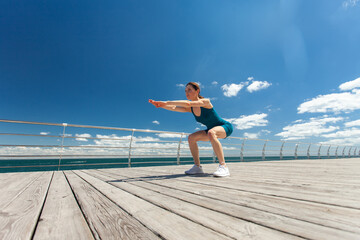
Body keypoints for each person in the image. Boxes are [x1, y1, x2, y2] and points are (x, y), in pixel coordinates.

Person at [149, 82, 233, 177]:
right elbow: (174, 107)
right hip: (210, 129)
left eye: (189, 90)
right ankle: (197, 167)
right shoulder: (191, 108)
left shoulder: (205, 102)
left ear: (197, 91)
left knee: (211, 132)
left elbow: (187, 103)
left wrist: (166, 102)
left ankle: (223, 167)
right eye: (185, 91)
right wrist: (160, 105)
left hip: (224, 126)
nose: (187, 93)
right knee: (191, 138)